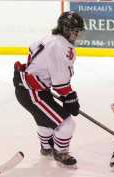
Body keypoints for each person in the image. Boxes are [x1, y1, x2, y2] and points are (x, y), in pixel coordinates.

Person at [13, 11, 84, 167]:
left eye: (78, 31)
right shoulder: (61, 47)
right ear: (65, 29)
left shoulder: (50, 38)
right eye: (75, 31)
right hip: (32, 92)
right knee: (67, 125)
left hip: (28, 87)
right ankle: (60, 152)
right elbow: (60, 83)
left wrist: (41, 78)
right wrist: (70, 97)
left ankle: (46, 148)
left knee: (45, 121)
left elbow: (32, 51)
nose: (77, 35)